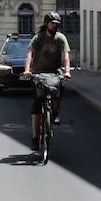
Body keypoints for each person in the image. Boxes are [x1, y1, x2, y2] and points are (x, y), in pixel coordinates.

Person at [23, 11, 72, 150]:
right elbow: (29, 54)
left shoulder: (61, 38)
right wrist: (27, 70)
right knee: (37, 106)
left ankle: (55, 113)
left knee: (60, 88)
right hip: (39, 73)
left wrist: (67, 71)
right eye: (52, 23)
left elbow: (66, 56)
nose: (54, 26)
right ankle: (35, 137)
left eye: (56, 24)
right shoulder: (38, 38)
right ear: (46, 24)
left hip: (54, 72)